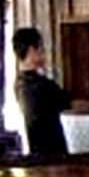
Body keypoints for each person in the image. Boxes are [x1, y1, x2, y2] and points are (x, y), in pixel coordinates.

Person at [13, 27, 71, 161]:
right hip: (53, 154)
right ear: (32, 50)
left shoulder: (19, 84)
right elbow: (71, 103)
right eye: (41, 48)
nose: (44, 53)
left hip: (36, 152)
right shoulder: (42, 86)